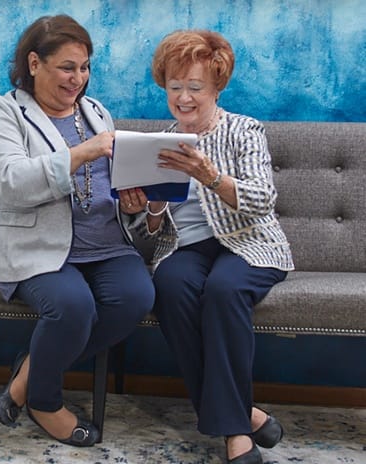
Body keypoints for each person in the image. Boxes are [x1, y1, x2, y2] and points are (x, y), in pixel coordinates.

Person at [0, 15, 154, 447]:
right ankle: (45, 402)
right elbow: (8, 181)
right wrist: (81, 153)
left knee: (137, 297)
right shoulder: (3, 111)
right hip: (38, 247)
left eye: (85, 67)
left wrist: (134, 203)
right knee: (73, 308)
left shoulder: (95, 112)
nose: (79, 79)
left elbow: (109, 184)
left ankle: (29, 373)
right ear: (34, 63)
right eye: (67, 67)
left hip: (106, 245)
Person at [120, 30, 294, 463]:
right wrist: (152, 207)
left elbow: (262, 202)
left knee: (224, 289)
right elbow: (149, 236)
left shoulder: (244, 131)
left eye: (194, 88)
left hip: (249, 244)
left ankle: (236, 433)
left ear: (216, 87)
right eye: (175, 87)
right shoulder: (157, 143)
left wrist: (209, 174)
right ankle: (247, 415)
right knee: (172, 286)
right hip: (188, 250)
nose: (183, 98)